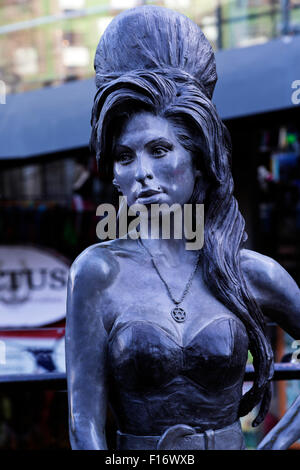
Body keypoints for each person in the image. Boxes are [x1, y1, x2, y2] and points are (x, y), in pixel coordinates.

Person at [65, 6, 300, 450]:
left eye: (159, 150)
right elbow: (84, 426)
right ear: (113, 174)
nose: (143, 173)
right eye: (125, 156)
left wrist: (277, 441)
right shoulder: (96, 273)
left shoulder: (248, 272)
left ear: (198, 160)